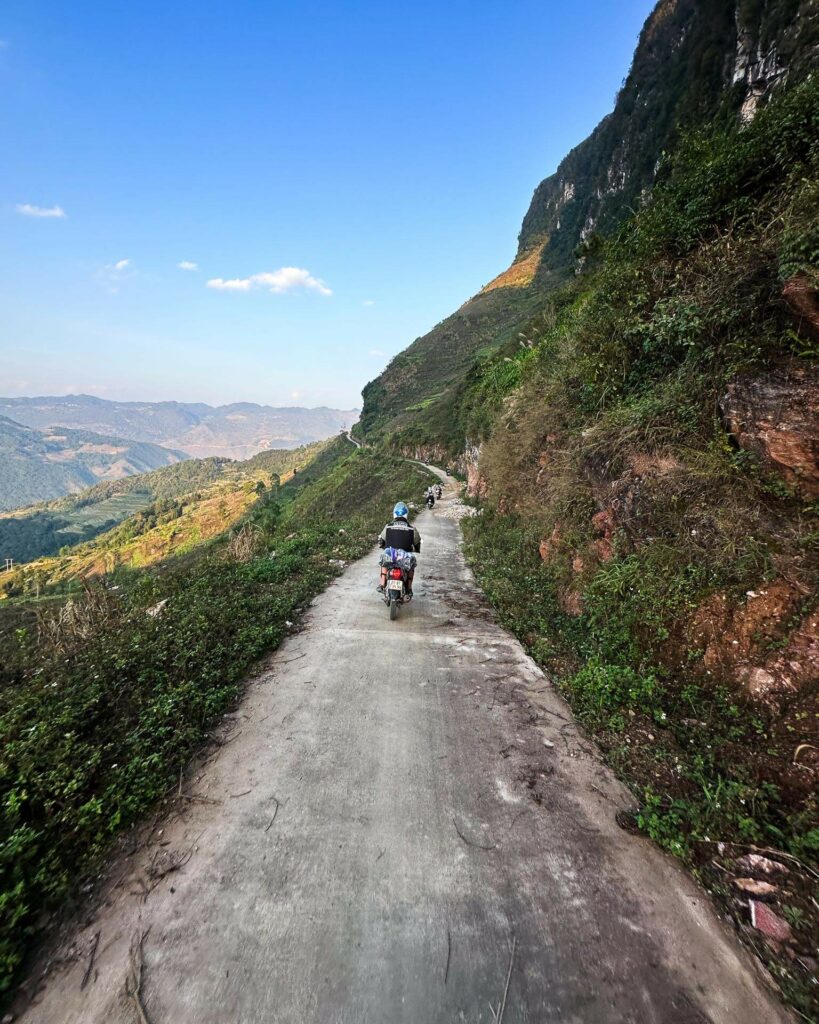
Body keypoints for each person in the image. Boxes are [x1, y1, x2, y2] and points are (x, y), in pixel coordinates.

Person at [378, 501, 421, 596]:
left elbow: (381, 540)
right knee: (411, 566)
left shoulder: (388, 526)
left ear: (394, 514)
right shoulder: (412, 528)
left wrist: (383, 546)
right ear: (406, 514)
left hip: (391, 555)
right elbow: (417, 542)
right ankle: (409, 588)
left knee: (383, 562)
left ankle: (382, 584)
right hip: (404, 557)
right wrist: (417, 549)